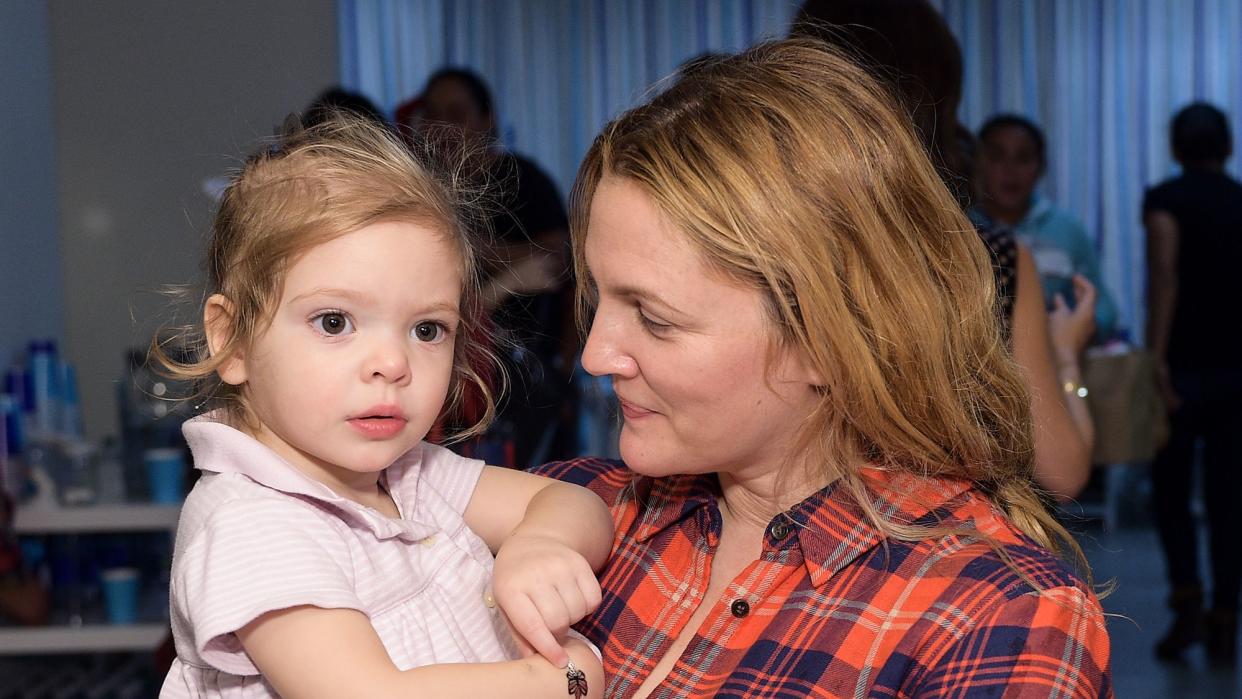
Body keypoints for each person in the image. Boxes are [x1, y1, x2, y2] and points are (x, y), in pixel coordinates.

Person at [534, 38, 1111, 697]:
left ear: (827, 340)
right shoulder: (570, 513)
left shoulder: (994, 618)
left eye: (656, 318)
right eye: (598, 297)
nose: (595, 354)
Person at [154, 115, 610, 697]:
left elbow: (571, 500)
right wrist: (564, 680)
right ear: (232, 340)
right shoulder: (250, 522)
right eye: (335, 322)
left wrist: (541, 543)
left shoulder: (408, 476)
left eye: (426, 329)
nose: (392, 363)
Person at [791, 0, 1096, 501]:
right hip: (942, 558)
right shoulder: (987, 258)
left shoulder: (757, 246)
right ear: (937, 108)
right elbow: (1062, 472)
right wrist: (1063, 356)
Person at [411, 68, 577, 468]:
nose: (442, 127)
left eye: (455, 113)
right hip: (449, 377)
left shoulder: (523, 180)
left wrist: (566, 369)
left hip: (525, 375)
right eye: (431, 115)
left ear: (486, 119)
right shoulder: (420, 189)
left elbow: (562, 258)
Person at [1144, 102, 1242, 665]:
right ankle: (1226, 620)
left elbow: (1164, 277)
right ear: (1226, 147)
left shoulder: (1166, 200)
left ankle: (1187, 608)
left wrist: (1155, 358)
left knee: (1173, 495)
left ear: (1177, 149)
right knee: (1231, 500)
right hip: (1238, 371)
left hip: (1181, 369)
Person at [971, 114, 1118, 340]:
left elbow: (1104, 309)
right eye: (997, 156)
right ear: (978, 163)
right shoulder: (961, 227)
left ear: (1041, 167)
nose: (1010, 170)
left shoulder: (1067, 229)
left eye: (1023, 158)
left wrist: (1073, 335)